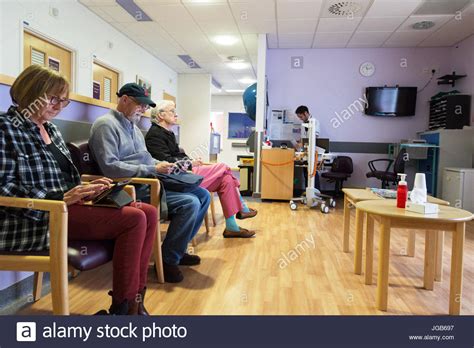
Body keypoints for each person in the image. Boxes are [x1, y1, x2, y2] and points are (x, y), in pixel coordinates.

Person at [0, 65, 157, 315]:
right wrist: (59, 198)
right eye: (53, 99)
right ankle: (123, 308)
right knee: (135, 218)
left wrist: (85, 187)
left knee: (148, 212)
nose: (59, 106)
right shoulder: (5, 128)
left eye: (63, 100)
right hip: (38, 217)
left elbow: (64, 177)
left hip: (66, 206)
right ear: (29, 93)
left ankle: (134, 302)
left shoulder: (50, 129)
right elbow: (4, 189)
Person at [89, 83, 210, 283]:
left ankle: (177, 250)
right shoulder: (105, 125)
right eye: (140, 105)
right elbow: (110, 167)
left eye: (146, 107)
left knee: (203, 195)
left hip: (148, 182)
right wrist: (153, 169)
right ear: (124, 99)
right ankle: (169, 259)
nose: (144, 110)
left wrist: (159, 164)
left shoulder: (134, 128)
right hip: (128, 190)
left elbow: (145, 159)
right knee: (190, 203)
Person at [145, 100, 257, 238]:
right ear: (161, 115)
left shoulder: (168, 133)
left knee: (226, 179)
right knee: (224, 167)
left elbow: (178, 155)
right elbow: (166, 162)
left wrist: (191, 162)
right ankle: (242, 208)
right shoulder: (155, 134)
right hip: (176, 177)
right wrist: (190, 164)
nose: (176, 114)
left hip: (184, 172)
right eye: (172, 112)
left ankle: (231, 226)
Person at [295, 105, 321, 190]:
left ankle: (316, 193)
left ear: (306, 113)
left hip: (312, 152)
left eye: (301, 116)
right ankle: (308, 193)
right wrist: (299, 141)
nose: (300, 118)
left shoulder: (315, 122)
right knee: (306, 173)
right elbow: (304, 137)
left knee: (313, 173)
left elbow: (314, 137)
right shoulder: (304, 124)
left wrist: (303, 142)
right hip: (305, 152)